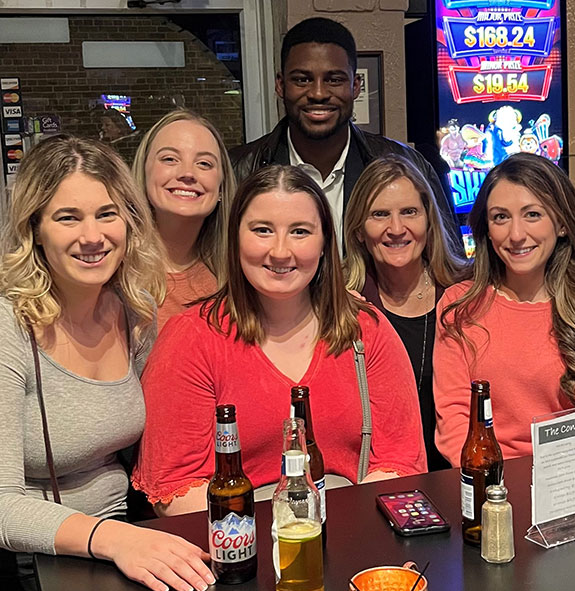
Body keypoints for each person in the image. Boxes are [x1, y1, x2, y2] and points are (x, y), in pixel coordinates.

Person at [133, 165, 427, 515]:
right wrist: (283, 536)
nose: (280, 252)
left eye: (300, 232)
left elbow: (400, 459)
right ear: (235, 238)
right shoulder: (190, 339)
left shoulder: (366, 329)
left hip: (352, 531)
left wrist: (342, 536)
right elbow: (176, 483)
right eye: (262, 230)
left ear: (324, 244)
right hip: (237, 545)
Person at [0, 135, 215, 591]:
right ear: (34, 228)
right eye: (68, 217)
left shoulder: (133, 313)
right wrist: (116, 541)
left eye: (106, 214)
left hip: (130, 538)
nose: (93, 236)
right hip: (39, 563)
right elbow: (3, 506)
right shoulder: (8, 327)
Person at [434, 153, 575, 464]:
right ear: (485, 228)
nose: (515, 235)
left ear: (563, 224)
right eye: (500, 217)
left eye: (532, 215)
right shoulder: (459, 305)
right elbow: (455, 417)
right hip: (488, 483)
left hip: (571, 482)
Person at [229, 17, 460, 254]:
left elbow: (449, 265)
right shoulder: (238, 171)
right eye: (302, 80)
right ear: (280, 85)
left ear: (356, 86)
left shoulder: (411, 167)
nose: (318, 93)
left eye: (334, 80)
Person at [343, 155, 468, 471]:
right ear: (358, 230)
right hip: (376, 480)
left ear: (428, 220)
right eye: (380, 214)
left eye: (409, 212)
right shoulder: (342, 305)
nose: (396, 228)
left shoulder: (467, 294)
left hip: (458, 477)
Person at [132, 109, 236, 331]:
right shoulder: (113, 273)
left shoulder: (240, 279)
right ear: (144, 172)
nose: (187, 173)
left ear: (221, 187)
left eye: (204, 164)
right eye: (170, 159)